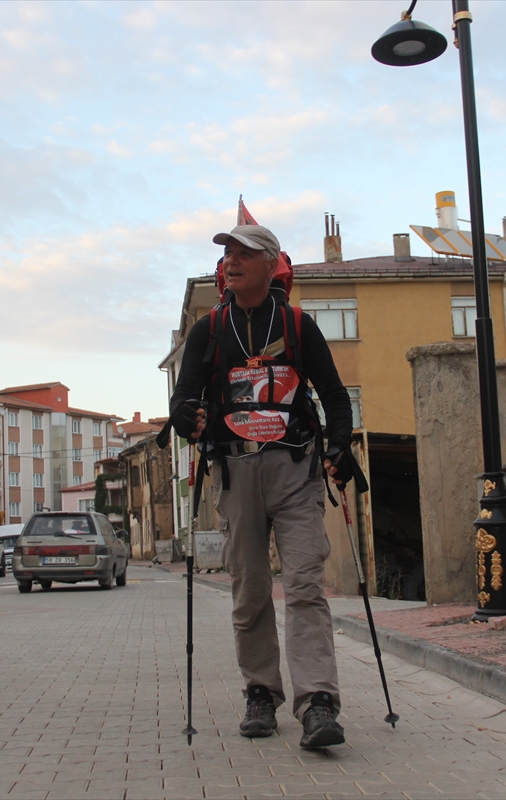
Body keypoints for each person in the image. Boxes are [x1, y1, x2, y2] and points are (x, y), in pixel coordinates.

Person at [169, 224, 361, 749]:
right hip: (235, 471)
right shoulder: (209, 330)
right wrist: (188, 416)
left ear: (269, 263)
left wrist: (338, 444)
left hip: (295, 470)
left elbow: (337, 399)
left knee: (303, 584)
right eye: (226, 253)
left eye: (242, 253)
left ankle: (318, 703)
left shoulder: (299, 325)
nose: (230, 261)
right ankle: (260, 692)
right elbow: (181, 404)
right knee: (250, 588)